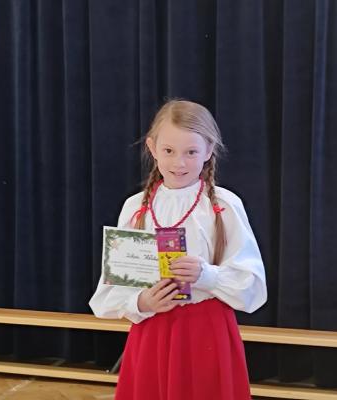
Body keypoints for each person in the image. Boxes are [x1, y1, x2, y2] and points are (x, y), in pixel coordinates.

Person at [89, 99, 267, 400]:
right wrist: (142, 301)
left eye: (191, 152)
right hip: (152, 332)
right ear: (152, 148)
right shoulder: (134, 208)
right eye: (169, 151)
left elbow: (252, 285)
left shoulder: (224, 205)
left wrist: (207, 275)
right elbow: (112, 289)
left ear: (208, 151)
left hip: (206, 331)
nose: (179, 163)